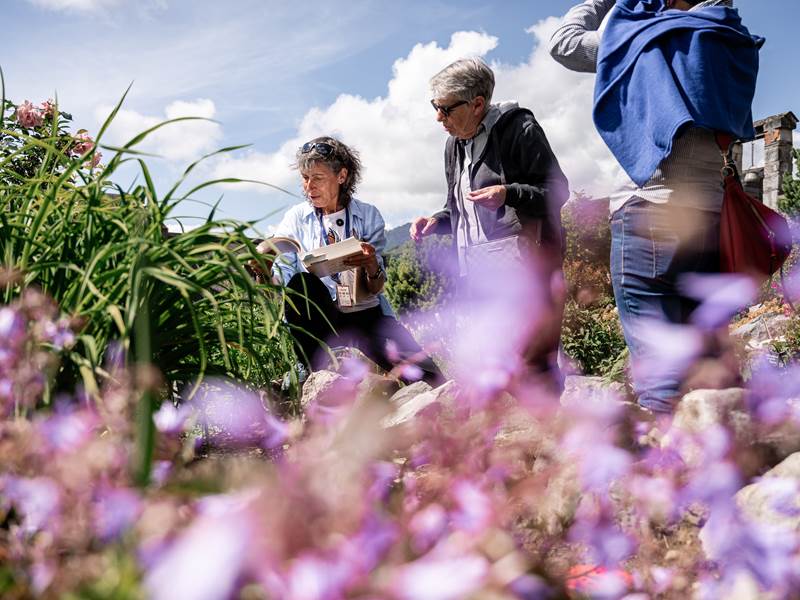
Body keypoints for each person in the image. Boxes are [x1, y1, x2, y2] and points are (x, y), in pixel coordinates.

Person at [549, 0, 762, 412]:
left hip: (647, 214)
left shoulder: (645, 36)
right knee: (710, 366)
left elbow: (565, 43)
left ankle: (669, 448)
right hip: (712, 218)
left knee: (661, 377)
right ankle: (728, 448)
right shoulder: (732, 37)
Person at [409, 57, 569, 387]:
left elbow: (557, 190)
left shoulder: (520, 128)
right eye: (435, 107)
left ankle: (554, 420)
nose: (438, 117)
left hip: (525, 271)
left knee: (532, 366)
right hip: (478, 275)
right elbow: (460, 208)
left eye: (445, 109)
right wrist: (436, 221)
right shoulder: (453, 145)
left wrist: (508, 194)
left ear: (477, 104)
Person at [267, 136, 443, 385]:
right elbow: (281, 277)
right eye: (305, 178)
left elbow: (376, 287)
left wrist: (371, 264)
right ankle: (309, 368)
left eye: (317, 178)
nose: (308, 186)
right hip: (322, 318)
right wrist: (265, 266)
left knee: (430, 378)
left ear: (342, 176)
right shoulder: (295, 218)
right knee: (300, 284)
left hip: (365, 313)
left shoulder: (368, 216)